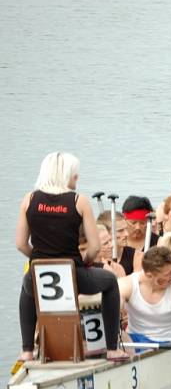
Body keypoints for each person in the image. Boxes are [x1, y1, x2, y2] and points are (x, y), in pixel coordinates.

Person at [14, 152, 127, 362]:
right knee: (111, 282)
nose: (77, 177)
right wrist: (84, 260)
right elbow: (94, 247)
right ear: (66, 174)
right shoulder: (79, 201)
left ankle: (27, 350)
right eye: (75, 174)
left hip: (39, 276)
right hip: (75, 274)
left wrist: (37, 261)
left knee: (26, 286)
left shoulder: (29, 200)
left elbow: (20, 244)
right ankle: (112, 348)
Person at [121, 195, 158, 270]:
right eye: (133, 223)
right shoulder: (116, 243)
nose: (138, 227)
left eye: (142, 223)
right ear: (124, 220)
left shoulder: (158, 242)